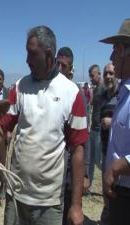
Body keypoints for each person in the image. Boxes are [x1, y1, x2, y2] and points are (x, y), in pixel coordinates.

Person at [0, 26, 88, 225]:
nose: (26, 60)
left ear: (49, 55)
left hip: (49, 204)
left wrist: (76, 205)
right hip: (16, 197)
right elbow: (1, 126)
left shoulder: (71, 92)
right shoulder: (19, 87)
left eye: (32, 54)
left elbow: (78, 149)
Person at [56, 47, 90, 225]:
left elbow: (84, 140)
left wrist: (85, 174)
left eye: (65, 65)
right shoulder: (50, 91)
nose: (60, 68)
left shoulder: (77, 96)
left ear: (71, 69)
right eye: (58, 64)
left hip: (71, 171)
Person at [100, 18, 130, 225]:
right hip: (119, 192)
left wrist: (117, 167)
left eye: (116, 49)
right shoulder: (123, 93)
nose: (112, 56)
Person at [99, 63, 117, 225]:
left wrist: (112, 121)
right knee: (106, 191)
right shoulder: (105, 96)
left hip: (119, 158)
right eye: (106, 73)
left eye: (111, 73)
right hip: (105, 151)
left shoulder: (123, 95)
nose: (108, 77)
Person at [88, 64, 104, 185]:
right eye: (90, 76)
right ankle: (87, 187)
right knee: (90, 159)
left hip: (99, 130)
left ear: (99, 74)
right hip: (93, 128)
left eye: (92, 76)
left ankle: (107, 182)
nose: (91, 78)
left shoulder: (104, 89)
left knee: (99, 161)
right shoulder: (96, 88)